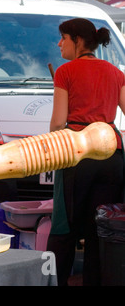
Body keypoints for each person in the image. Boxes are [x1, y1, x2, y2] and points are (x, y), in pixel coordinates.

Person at [47, 18, 125, 286]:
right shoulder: (116, 72)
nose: (59, 43)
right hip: (112, 157)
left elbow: (58, 123)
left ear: (77, 41)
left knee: (64, 229)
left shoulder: (65, 72)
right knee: (99, 230)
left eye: (63, 37)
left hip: (77, 155)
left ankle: (55, 283)